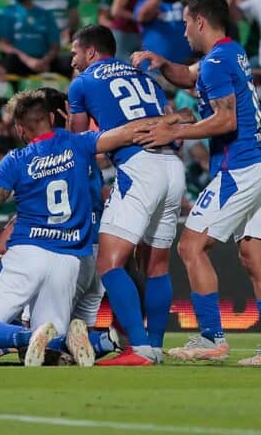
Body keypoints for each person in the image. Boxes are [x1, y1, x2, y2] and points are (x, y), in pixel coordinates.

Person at [0, 90, 158, 367]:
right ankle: (95, 341)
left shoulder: (16, 160)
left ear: (20, 128)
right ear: (49, 117)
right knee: (47, 355)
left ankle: (30, 336)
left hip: (27, 253)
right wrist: (173, 120)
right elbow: (127, 133)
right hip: (68, 261)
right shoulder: (81, 144)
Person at [132, 0, 261, 366]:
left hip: (238, 167)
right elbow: (188, 76)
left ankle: (211, 337)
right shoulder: (229, 52)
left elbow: (226, 119)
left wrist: (174, 133)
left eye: (187, 23)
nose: (184, 30)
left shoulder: (215, 63)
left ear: (200, 21)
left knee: (190, 247)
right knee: (254, 257)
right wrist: (161, 62)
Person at [63, 25, 189, 365]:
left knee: (109, 261)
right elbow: (169, 121)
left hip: (139, 166)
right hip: (172, 166)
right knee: (156, 264)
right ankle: (156, 346)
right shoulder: (143, 77)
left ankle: (140, 347)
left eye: (75, 52)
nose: (72, 60)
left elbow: (78, 141)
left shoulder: (83, 82)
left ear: (90, 52)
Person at [0, 0, 62, 76]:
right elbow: (3, 44)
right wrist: (27, 60)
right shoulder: (5, 13)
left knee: (68, 63)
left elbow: (55, 46)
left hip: (43, 60)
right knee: (10, 60)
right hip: (19, 60)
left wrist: (45, 61)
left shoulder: (46, 14)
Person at [134, 0, 192, 67]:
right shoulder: (143, 2)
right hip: (154, 70)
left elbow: (198, 13)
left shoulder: (183, 4)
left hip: (183, 70)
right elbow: (142, 16)